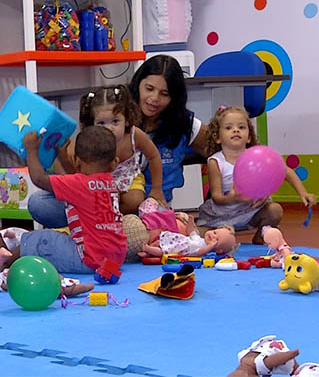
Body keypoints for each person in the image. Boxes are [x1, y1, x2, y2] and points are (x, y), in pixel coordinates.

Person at [27, 84, 166, 224]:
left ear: (127, 120)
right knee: (38, 202)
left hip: (127, 181)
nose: (109, 128)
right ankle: (94, 219)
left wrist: (156, 189)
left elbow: (153, 156)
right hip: (93, 191)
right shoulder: (86, 139)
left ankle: (114, 220)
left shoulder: (133, 135)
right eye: (101, 123)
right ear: (91, 124)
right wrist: (63, 159)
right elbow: (65, 163)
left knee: (134, 200)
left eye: (115, 121)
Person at [13, 126, 127, 273]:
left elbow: (39, 179)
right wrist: (63, 158)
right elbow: (77, 178)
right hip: (115, 259)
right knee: (60, 237)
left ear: (77, 161)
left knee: (42, 239)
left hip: (89, 260)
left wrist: (31, 149)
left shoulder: (79, 184)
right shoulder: (110, 181)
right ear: (114, 163)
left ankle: (2, 261)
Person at [196, 106, 316, 243]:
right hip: (222, 215)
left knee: (275, 210)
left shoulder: (257, 157)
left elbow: (285, 170)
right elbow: (216, 196)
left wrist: (303, 193)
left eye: (241, 127)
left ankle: (260, 238)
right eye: (229, 128)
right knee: (198, 234)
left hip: (251, 211)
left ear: (249, 137)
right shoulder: (215, 162)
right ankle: (222, 234)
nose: (236, 130)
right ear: (217, 137)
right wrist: (233, 198)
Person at [128, 55, 209, 203]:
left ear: (174, 97)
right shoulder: (119, 116)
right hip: (119, 211)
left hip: (159, 211)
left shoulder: (184, 124)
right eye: (149, 89)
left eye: (164, 94)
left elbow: (226, 150)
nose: (154, 98)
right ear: (138, 84)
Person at [138, 223, 237, 258]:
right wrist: (190, 222)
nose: (212, 236)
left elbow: (199, 253)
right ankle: (148, 253)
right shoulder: (199, 239)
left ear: (219, 250)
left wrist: (210, 246)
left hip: (181, 249)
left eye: (217, 239)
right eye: (214, 232)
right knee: (160, 243)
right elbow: (191, 232)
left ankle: (148, 249)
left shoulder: (204, 249)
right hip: (179, 241)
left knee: (163, 252)